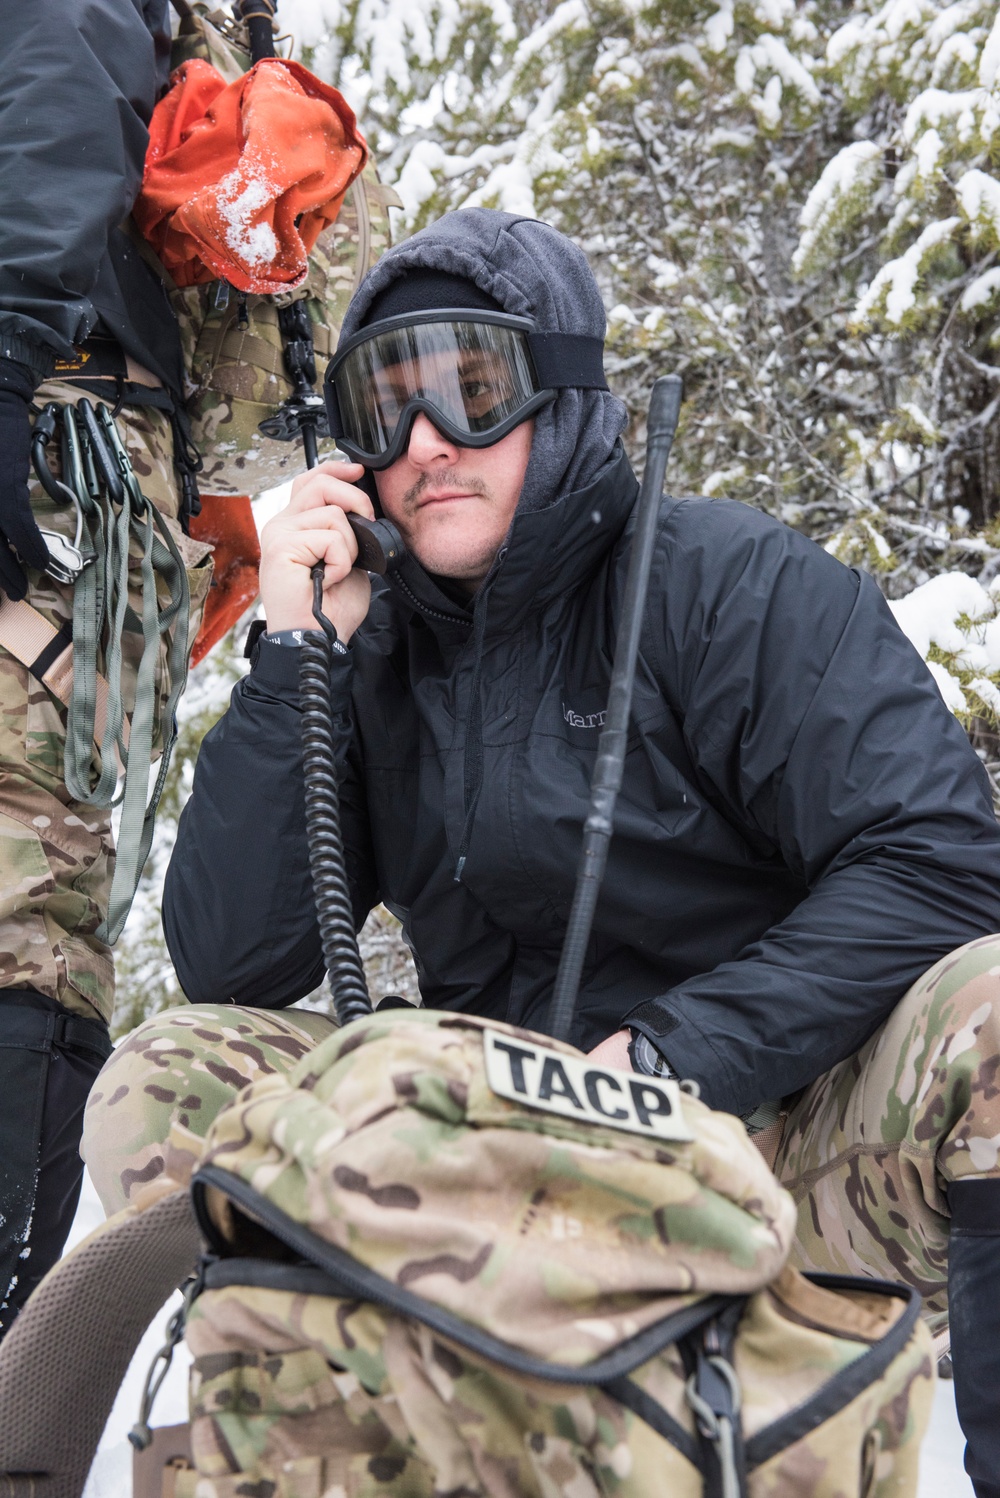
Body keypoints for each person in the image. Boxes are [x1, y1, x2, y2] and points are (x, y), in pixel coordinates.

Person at [85, 209, 1000, 1495]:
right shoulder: (372, 642)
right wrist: (297, 653)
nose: (423, 447)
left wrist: (679, 1053)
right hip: (486, 1155)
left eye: (470, 389)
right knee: (171, 1068)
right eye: (381, 406)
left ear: (560, 395)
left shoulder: (728, 584)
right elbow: (232, 957)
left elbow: (941, 862)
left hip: (765, 1140)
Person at [0, 0, 212, 1331]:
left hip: (55, 428)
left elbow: (60, 110)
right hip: (98, 465)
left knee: (24, 929)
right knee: (49, 934)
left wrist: (5, 350)